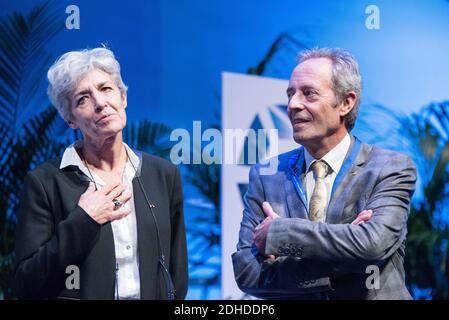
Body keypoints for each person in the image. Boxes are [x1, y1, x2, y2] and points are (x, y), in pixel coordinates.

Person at [232, 48, 416, 300]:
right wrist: (341, 261)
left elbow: (372, 244)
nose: (293, 104)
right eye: (290, 94)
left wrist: (278, 234)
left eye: (308, 93)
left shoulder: (390, 167)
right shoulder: (267, 175)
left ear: (345, 103)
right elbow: (247, 272)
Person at [13, 47, 188, 300]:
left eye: (106, 89)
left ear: (123, 97)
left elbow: (177, 274)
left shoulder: (163, 175)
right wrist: (84, 219)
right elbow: (25, 283)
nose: (100, 103)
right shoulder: (45, 182)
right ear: (70, 119)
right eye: (83, 99)